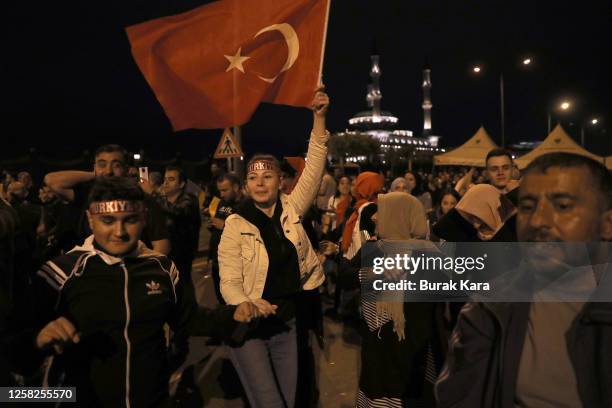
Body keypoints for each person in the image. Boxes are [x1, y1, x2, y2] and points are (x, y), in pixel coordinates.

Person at [31, 177, 272, 407]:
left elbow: (188, 320)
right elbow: (14, 346)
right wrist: (37, 339)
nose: (119, 232)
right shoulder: (60, 272)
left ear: (144, 218)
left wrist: (233, 315)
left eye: (130, 220)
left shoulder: (162, 268)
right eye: (107, 220)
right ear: (90, 220)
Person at [435, 153, 612, 408]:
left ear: (607, 224)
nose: (538, 221)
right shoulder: (488, 307)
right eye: (527, 207)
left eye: (562, 206)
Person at [218, 88, 329, 408]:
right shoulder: (235, 224)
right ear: (246, 185)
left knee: (290, 399)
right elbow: (228, 279)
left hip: (287, 323)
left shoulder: (292, 209)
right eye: (254, 177)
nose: (261, 182)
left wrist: (318, 117)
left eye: (268, 176)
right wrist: (246, 304)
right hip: (250, 325)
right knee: (269, 402)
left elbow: (315, 165)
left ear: (281, 181)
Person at [354, 192, 436, 407]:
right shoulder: (375, 247)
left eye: (383, 211)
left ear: (398, 216)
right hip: (377, 349)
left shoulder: (427, 257)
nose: (375, 217)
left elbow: (422, 323)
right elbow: (346, 275)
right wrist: (374, 272)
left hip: (404, 358)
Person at [44, 144, 171, 254]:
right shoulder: (87, 195)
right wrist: (97, 174)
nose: (108, 171)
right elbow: (52, 181)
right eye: (102, 164)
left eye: (116, 165)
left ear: (126, 169)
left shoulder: (144, 201)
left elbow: (162, 245)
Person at [155, 165, 201, 294]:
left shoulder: (189, 200)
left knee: (182, 287)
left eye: (171, 179)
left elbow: (178, 212)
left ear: (181, 184)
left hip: (182, 254)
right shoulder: (163, 201)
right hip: (166, 252)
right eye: (165, 179)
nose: (166, 183)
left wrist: (154, 194)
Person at [208, 172, 243, 304]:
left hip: (233, 261)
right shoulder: (222, 202)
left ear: (235, 187)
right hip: (217, 258)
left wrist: (224, 225)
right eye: (220, 190)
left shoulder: (246, 205)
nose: (221, 194)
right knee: (220, 295)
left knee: (234, 299)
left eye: (225, 190)